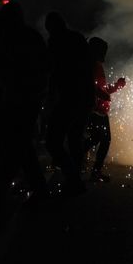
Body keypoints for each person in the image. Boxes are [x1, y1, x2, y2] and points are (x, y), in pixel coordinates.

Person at [0, 0, 49, 216]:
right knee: (21, 147)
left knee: (16, 147)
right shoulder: (30, 37)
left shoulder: (12, 38)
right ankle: (37, 190)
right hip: (25, 100)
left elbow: (3, 70)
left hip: (18, 100)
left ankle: (0, 193)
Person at [45, 11, 94, 196]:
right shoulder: (77, 39)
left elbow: (53, 70)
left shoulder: (57, 42)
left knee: (53, 141)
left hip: (71, 97)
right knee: (74, 139)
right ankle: (75, 181)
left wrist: (51, 95)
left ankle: (73, 179)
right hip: (83, 97)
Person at [84, 37, 126, 182]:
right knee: (104, 139)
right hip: (93, 110)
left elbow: (102, 89)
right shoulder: (89, 65)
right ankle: (91, 170)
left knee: (98, 138)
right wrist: (100, 93)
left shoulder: (97, 65)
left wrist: (117, 86)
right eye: (102, 50)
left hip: (100, 110)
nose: (104, 53)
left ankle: (79, 159)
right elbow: (89, 85)